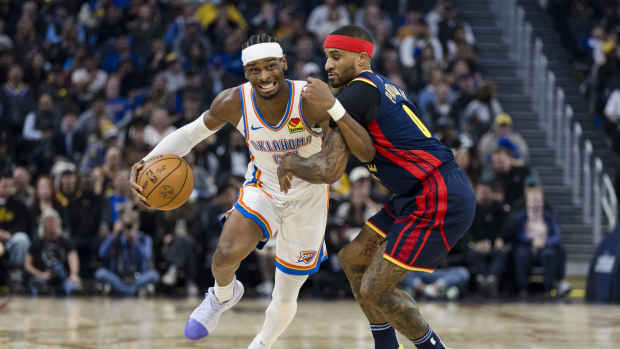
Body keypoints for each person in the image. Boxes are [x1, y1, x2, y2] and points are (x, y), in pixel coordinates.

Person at [129, 33, 374, 348]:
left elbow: (340, 152)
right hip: (264, 188)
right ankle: (222, 295)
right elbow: (191, 134)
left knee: (285, 293)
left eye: (270, 67)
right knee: (225, 254)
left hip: (309, 201)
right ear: (245, 73)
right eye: (254, 70)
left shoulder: (310, 99)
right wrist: (146, 161)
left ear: (284, 64)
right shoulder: (234, 101)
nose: (264, 76)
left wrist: (302, 161)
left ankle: (261, 343)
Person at [278, 26, 475, 349]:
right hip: (416, 193)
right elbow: (367, 150)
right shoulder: (374, 88)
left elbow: (329, 169)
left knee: (375, 288)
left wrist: (289, 162)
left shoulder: (358, 91)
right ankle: (386, 345)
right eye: (327, 57)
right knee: (353, 259)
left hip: (437, 192)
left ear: (361, 58)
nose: (328, 66)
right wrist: (329, 113)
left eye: (336, 57)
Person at [24, 209, 81, 296]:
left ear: (59, 223)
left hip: (62, 276)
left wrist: (74, 275)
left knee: (72, 287)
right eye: (48, 221)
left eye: (53, 221)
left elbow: (73, 258)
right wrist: (41, 274)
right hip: (42, 275)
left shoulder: (66, 241)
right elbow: (27, 265)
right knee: (36, 285)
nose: (51, 224)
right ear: (43, 224)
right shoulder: (37, 242)